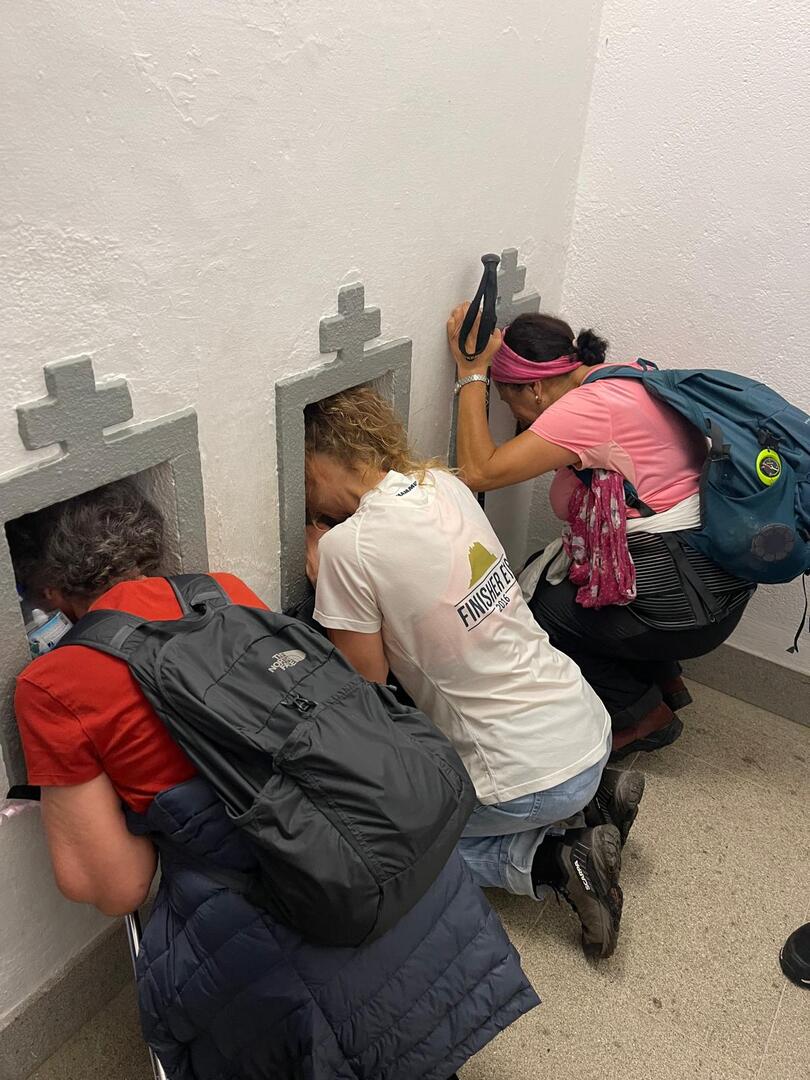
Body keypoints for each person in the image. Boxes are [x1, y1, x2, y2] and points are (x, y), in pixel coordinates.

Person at [9, 480, 540, 1080]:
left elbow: (115, 887)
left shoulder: (54, 684)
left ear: (49, 590)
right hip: (425, 892)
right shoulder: (222, 593)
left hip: (300, 951)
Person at [305, 388, 645, 960]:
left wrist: (328, 585)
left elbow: (367, 688)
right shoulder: (446, 485)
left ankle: (554, 861)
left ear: (318, 464)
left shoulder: (346, 548)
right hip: (587, 724)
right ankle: (597, 796)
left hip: (530, 775)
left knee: (385, 852)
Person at [445, 305, 755, 758]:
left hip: (690, 605)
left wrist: (471, 371)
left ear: (533, 388)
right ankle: (662, 680)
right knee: (545, 571)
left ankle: (644, 716)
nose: (516, 416)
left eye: (509, 402)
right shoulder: (624, 376)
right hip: (712, 581)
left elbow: (478, 471)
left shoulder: (584, 412)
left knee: (542, 611)